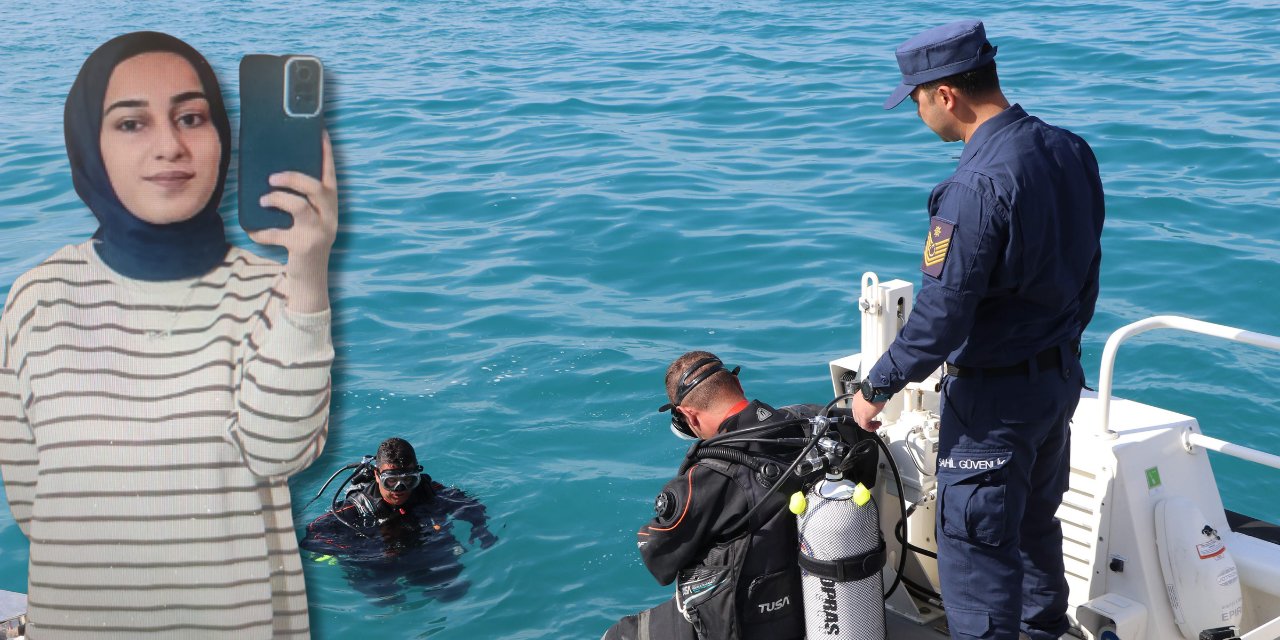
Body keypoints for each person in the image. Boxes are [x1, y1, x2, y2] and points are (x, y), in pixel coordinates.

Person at [0, 32, 337, 638]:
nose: (170, 146)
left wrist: (308, 271)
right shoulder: (35, 301)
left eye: (191, 116)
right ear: (89, 145)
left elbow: (279, 452)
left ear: (222, 138)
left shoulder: (275, 292)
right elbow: (33, 505)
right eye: (131, 123)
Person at [853, 19, 1105, 640]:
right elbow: (1087, 271)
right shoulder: (1069, 150)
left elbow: (940, 317)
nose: (915, 112)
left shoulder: (974, 187)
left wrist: (875, 387)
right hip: (1056, 385)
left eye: (914, 98)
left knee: (977, 562)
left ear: (946, 95)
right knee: (1032, 532)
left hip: (993, 405)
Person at [603, 351, 807, 640]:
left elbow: (660, 561)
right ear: (739, 386)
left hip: (744, 621)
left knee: (618, 635)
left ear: (688, 415)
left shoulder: (709, 477)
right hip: (805, 604)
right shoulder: (805, 426)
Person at [300, 437, 497, 605]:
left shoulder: (427, 491)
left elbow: (468, 505)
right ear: (377, 476)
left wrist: (480, 528)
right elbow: (314, 533)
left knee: (453, 591)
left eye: (408, 479)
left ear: (417, 475)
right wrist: (358, 553)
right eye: (391, 481)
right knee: (384, 598)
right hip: (379, 558)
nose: (400, 488)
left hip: (419, 546)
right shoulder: (356, 508)